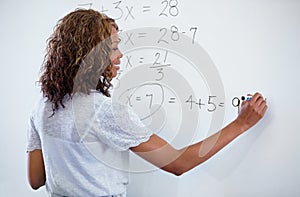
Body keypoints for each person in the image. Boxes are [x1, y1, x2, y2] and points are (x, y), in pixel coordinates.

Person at [27, 9, 268, 197]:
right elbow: (179, 163)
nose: (120, 55)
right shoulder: (104, 111)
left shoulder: (43, 105)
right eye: (112, 48)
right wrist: (241, 124)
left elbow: (36, 180)